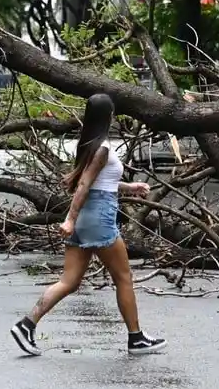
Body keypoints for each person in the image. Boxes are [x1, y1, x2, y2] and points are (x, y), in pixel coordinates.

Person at [10, 93, 168, 356]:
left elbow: (98, 183)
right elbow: (83, 185)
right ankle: (137, 338)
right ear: (107, 116)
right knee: (124, 278)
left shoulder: (89, 144)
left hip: (87, 218)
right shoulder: (102, 147)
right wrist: (69, 219)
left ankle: (26, 325)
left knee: (69, 281)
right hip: (98, 220)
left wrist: (131, 187)